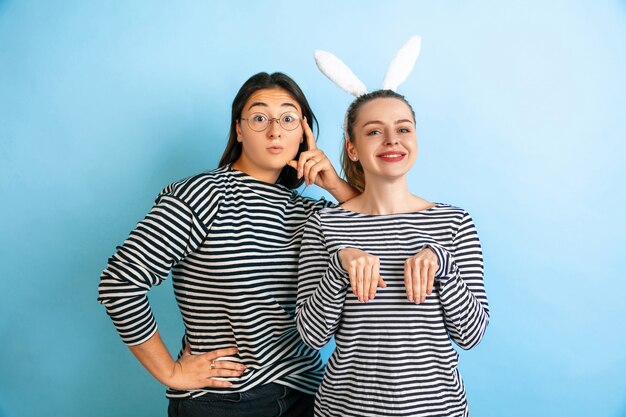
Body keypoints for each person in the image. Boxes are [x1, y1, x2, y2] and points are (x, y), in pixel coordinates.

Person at [97, 72, 359, 417]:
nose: (275, 130)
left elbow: (382, 235)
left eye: (288, 118)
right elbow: (119, 283)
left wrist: (337, 185)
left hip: (308, 396)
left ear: (304, 133)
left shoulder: (313, 213)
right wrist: (170, 372)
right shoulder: (202, 195)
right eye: (260, 117)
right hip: (225, 402)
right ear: (239, 129)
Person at [295, 89, 490, 417]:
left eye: (403, 129)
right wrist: (339, 265)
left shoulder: (454, 223)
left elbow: (471, 334)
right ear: (352, 148)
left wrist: (441, 261)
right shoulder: (325, 225)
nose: (391, 140)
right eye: (374, 131)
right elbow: (312, 336)